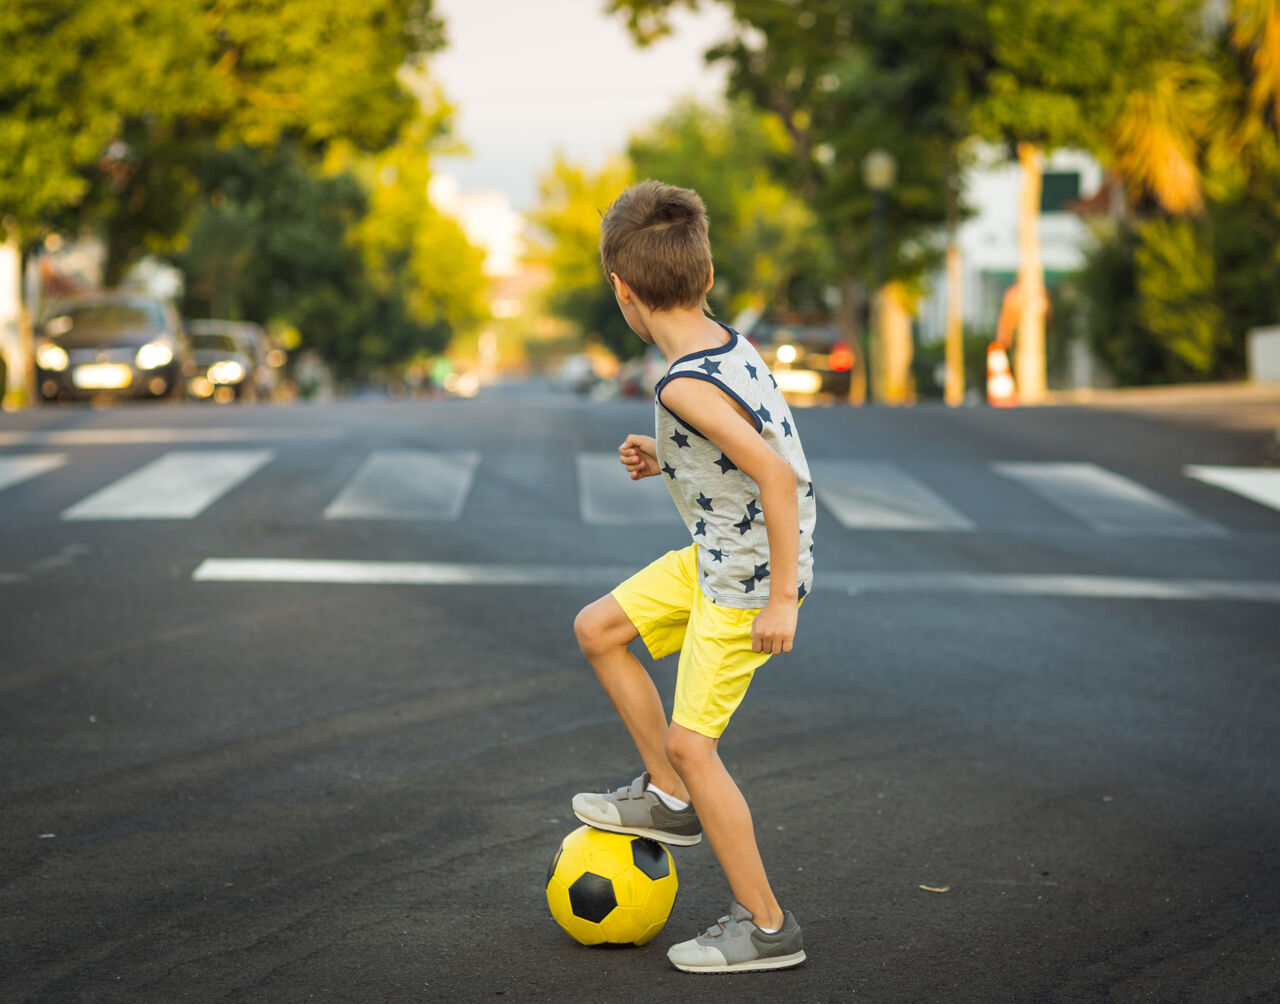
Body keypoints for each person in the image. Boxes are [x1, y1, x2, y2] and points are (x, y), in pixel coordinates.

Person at [571, 180, 816, 974]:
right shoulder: (719, 342)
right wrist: (665, 459)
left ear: (622, 290)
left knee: (694, 742)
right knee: (599, 629)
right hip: (720, 553)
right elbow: (739, 441)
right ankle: (668, 798)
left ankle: (767, 924)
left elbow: (776, 479)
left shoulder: (680, 382)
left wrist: (782, 599)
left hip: (746, 578)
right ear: (704, 277)